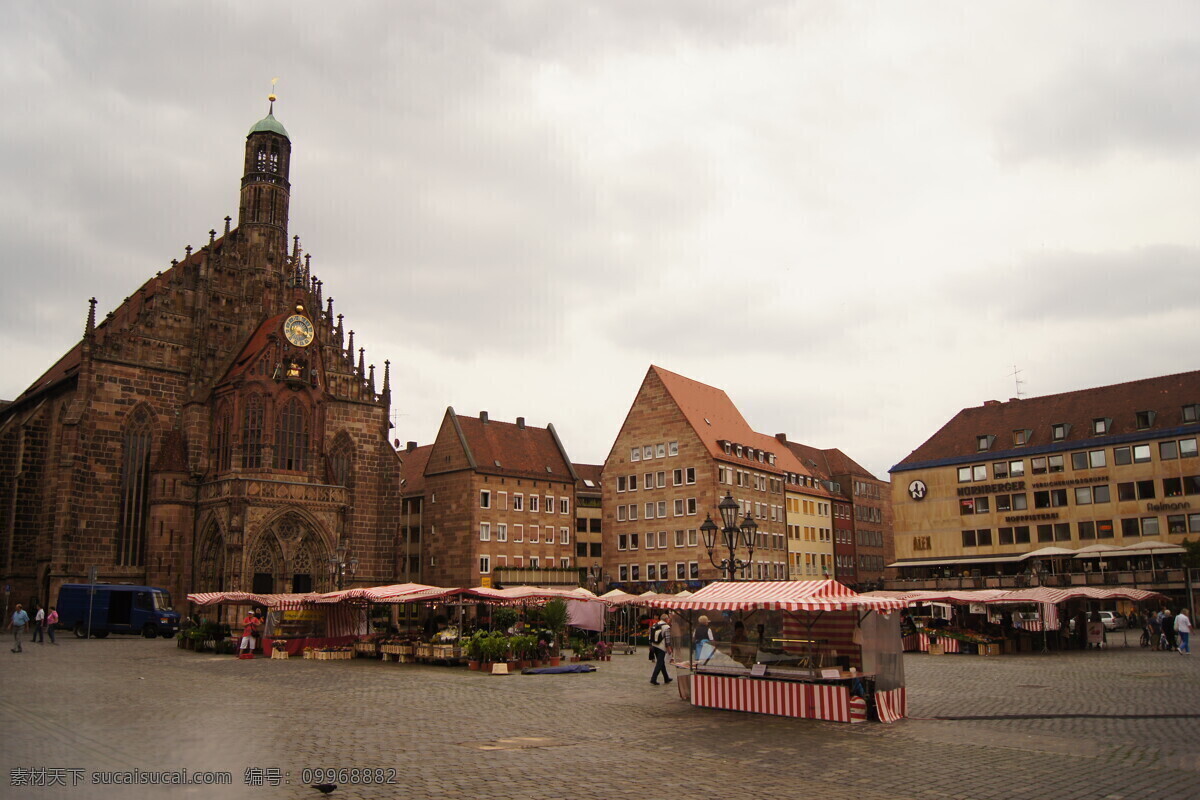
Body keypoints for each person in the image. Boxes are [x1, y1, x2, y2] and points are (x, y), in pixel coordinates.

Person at [648, 613, 673, 686]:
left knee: (661, 663)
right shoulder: (666, 627)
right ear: (666, 619)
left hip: (654, 645)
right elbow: (667, 639)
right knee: (659, 663)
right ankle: (653, 679)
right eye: (668, 618)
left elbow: (650, 635)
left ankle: (666, 678)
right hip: (661, 647)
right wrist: (669, 648)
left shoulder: (655, 625)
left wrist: (650, 644)